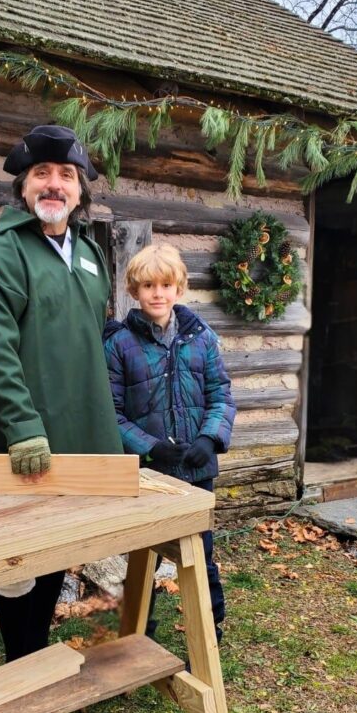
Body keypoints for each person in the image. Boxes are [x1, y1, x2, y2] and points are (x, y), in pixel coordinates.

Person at [0, 124, 123, 662]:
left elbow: (90, 342)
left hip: (84, 435)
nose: (54, 185)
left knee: (57, 549)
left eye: (66, 176)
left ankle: (35, 652)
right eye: (42, 175)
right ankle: (19, 660)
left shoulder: (92, 256)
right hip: (28, 440)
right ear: (23, 189)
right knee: (17, 560)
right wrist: (24, 430)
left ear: (80, 192)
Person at [103, 244, 235, 643]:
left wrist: (210, 440)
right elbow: (112, 412)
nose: (157, 293)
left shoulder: (201, 337)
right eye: (147, 286)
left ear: (179, 288)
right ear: (133, 290)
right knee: (146, 554)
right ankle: (140, 626)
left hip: (197, 468)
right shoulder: (120, 343)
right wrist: (150, 447)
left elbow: (221, 395)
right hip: (151, 472)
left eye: (165, 285)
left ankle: (209, 625)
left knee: (200, 552)